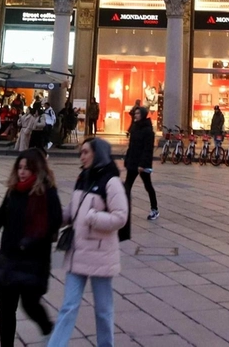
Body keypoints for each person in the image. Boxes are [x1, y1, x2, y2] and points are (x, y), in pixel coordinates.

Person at [0, 149, 61, 347]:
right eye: (19, 167)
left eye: (27, 168)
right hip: (9, 258)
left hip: (34, 261)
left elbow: (54, 222)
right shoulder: (14, 191)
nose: (22, 172)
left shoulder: (47, 192)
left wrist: (32, 240)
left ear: (36, 169)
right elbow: (0, 217)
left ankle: (47, 328)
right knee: (6, 310)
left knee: (30, 305)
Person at [47, 138, 128, 347]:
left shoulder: (111, 182)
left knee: (103, 310)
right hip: (78, 252)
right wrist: (57, 218)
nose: (81, 156)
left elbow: (120, 216)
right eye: (80, 153)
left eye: (85, 152)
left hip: (100, 255)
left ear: (97, 153)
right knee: (68, 305)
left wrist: (93, 217)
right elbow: (74, 210)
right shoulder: (82, 177)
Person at [122, 106, 159, 221]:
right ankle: (123, 209)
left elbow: (148, 149)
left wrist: (142, 165)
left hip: (142, 164)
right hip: (133, 161)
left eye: (138, 113)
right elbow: (131, 146)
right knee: (127, 187)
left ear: (142, 115)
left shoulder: (148, 130)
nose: (135, 115)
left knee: (148, 186)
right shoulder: (135, 127)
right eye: (135, 113)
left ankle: (154, 209)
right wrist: (127, 159)